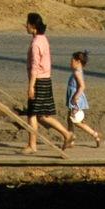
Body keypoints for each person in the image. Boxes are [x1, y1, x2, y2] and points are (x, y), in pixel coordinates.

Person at [23, 12, 71, 153]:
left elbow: (35, 67)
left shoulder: (36, 43)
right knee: (42, 116)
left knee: (32, 114)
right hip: (46, 79)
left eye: (27, 23)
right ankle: (67, 134)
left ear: (33, 26)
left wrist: (31, 86)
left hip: (38, 81)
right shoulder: (43, 39)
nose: (26, 26)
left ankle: (32, 145)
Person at [66, 51, 102, 147]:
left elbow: (82, 86)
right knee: (70, 119)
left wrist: (75, 97)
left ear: (78, 61)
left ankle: (95, 134)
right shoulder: (77, 71)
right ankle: (71, 140)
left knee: (76, 121)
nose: (70, 63)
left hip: (76, 100)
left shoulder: (77, 72)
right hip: (74, 98)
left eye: (72, 61)